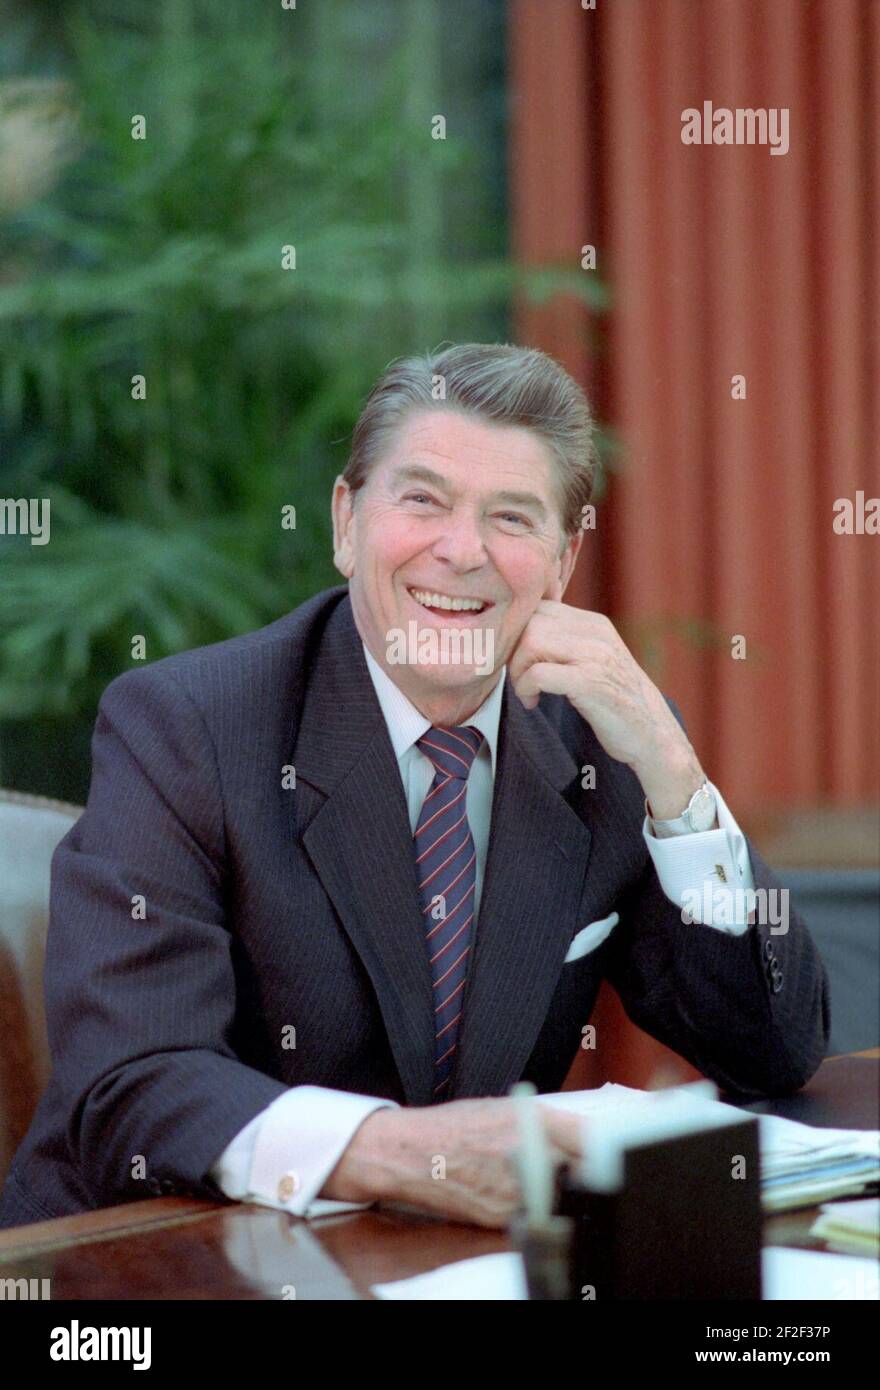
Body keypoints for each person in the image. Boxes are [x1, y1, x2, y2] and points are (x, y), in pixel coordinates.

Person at [0, 343, 829, 1232]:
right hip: (157, 1260)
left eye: (512, 519)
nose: (462, 550)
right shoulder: (185, 727)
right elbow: (133, 1081)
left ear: (562, 561)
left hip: (444, 1268)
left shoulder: (601, 740)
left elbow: (773, 1052)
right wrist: (407, 1157)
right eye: (423, 500)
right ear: (346, 523)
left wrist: (678, 781)